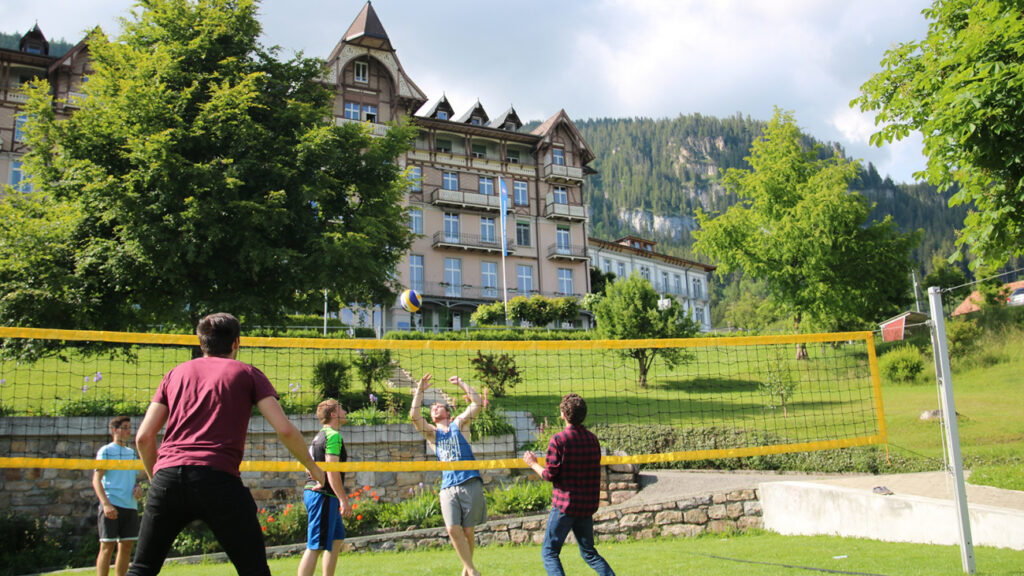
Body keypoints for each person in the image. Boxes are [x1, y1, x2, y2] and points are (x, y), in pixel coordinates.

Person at [128, 312, 327, 576]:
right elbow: (284, 429)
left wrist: (157, 478)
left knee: (141, 569)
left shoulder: (174, 374)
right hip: (216, 479)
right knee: (254, 570)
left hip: (167, 478)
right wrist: (313, 467)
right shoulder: (247, 373)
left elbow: (143, 437)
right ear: (236, 343)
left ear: (201, 344)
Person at [523, 393, 615, 576]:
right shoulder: (592, 439)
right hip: (586, 505)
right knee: (589, 553)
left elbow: (549, 475)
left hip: (565, 505)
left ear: (563, 414)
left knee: (549, 552)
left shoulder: (559, 440)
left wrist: (533, 464)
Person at [409, 373, 485, 576]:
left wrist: (462, 383)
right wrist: (419, 390)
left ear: (448, 412)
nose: (434, 408)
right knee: (452, 529)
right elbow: (414, 417)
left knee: (469, 532)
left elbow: (477, 402)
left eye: (438, 406)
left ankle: (466, 569)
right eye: (432, 408)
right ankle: (472, 570)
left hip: (470, 481)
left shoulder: (458, 424)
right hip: (448, 486)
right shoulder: (432, 434)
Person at [297, 399, 353, 576]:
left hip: (319, 492)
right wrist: (343, 500)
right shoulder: (333, 436)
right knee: (316, 546)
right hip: (323, 495)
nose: (345, 411)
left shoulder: (320, 435)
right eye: (341, 408)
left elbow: (308, 465)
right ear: (333, 414)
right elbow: (332, 471)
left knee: (336, 538)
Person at [93, 416, 143, 576]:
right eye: (125, 427)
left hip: (130, 505)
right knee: (107, 547)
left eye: (129, 427)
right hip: (112, 503)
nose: (129, 430)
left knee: (126, 546)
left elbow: (132, 479)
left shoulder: (132, 453)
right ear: (115, 430)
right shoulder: (106, 451)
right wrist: (106, 504)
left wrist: (137, 488)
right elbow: (96, 480)